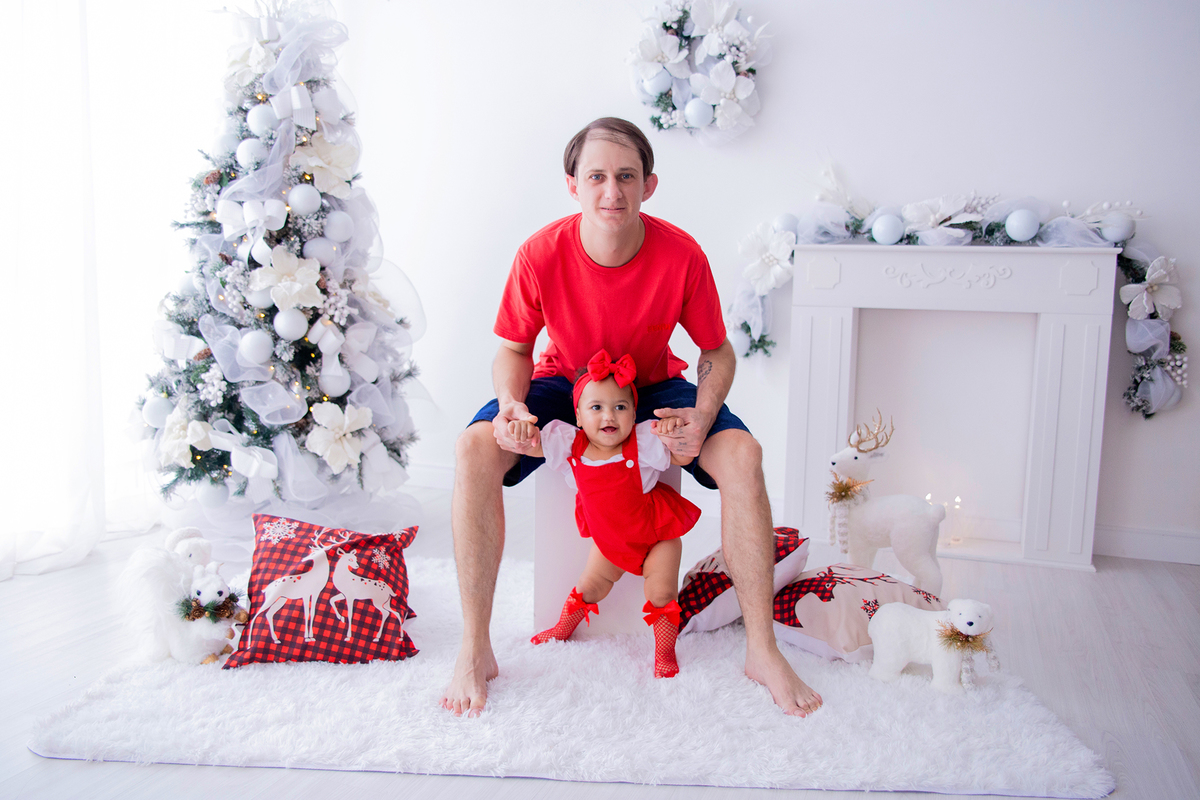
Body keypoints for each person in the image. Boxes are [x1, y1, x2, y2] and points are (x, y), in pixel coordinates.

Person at [441, 116, 823, 718]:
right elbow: (513, 348)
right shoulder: (539, 253)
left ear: (649, 184)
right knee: (472, 448)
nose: (611, 192)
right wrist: (513, 405)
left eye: (626, 176)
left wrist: (701, 414)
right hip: (564, 382)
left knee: (744, 457)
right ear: (573, 185)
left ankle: (762, 648)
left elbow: (716, 351)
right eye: (596, 176)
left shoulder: (682, 254)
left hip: (652, 384)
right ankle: (474, 647)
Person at [512, 349, 699, 679]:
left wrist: (672, 429)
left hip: (658, 534)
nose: (608, 416)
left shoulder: (644, 443)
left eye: (620, 407)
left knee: (660, 592)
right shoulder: (569, 445)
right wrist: (524, 434)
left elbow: (681, 456)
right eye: (596, 407)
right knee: (589, 586)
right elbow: (535, 446)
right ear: (579, 417)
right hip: (610, 542)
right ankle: (561, 628)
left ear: (633, 415)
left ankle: (665, 651)